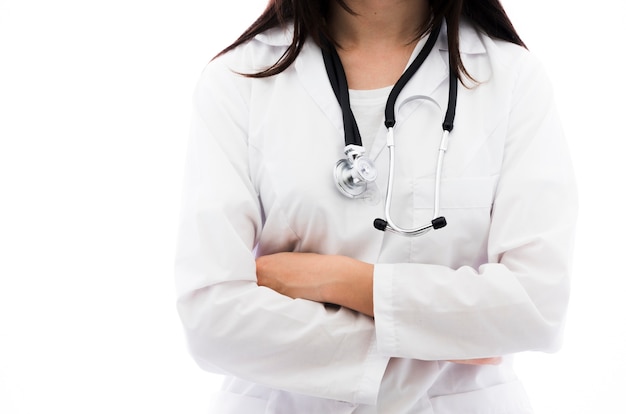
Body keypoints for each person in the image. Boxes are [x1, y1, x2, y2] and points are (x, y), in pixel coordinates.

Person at [175, 0, 577, 412]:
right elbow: (211, 319)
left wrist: (341, 280)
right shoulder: (238, 80)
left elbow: (536, 306)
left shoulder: (511, 79)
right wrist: (454, 335)